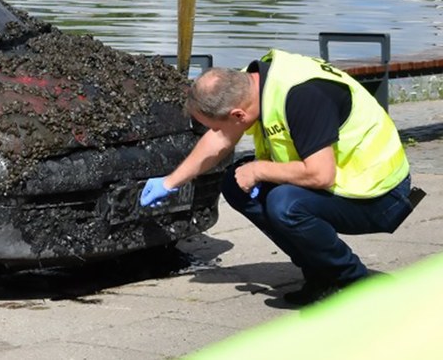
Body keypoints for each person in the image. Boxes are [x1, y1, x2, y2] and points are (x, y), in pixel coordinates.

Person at [140, 49, 418, 306]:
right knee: (235, 185)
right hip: (345, 182)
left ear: (237, 114)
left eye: (214, 126)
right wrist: (170, 182)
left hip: (381, 194)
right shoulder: (248, 84)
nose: (214, 132)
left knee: (285, 204)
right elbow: (219, 140)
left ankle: (354, 281)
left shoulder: (302, 96)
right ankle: (320, 272)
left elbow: (321, 175)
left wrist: (259, 170)